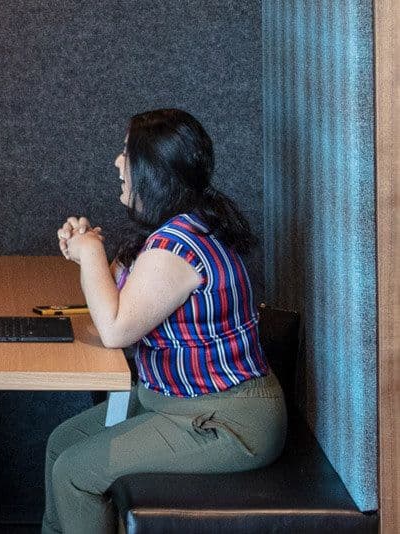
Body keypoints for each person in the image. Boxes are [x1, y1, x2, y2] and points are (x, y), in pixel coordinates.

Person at [43, 108, 287, 534]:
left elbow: (115, 328)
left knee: (74, 475)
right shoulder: (182, 228)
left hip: (225, 421)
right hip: (173, 400)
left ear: (153, 172)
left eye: (126, 153)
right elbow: (120, 298)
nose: (118, 163)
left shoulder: (176, 246)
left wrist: (91, 254)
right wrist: (85, 252)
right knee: (61, 445)